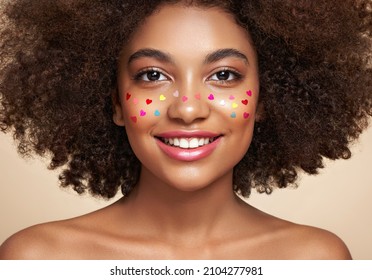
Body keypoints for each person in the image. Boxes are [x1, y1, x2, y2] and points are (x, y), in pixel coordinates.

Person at [0, 0, 370, 259]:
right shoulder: (37, 260)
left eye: (224, 75)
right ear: (116, 102)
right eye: (152, 75)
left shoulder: (314, 262)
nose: (188, 109)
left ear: (264, 100)